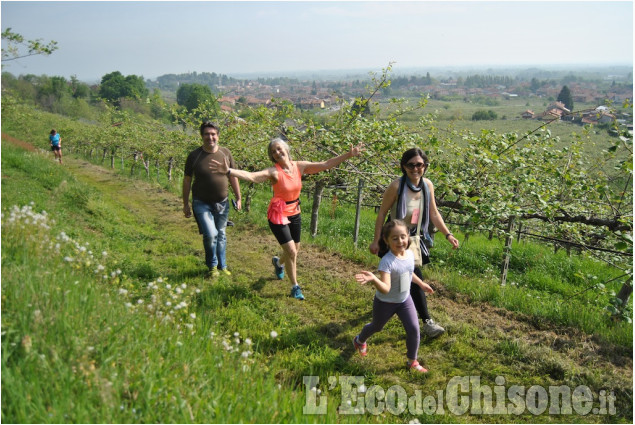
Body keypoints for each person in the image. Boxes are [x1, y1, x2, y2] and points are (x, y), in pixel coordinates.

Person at [209, 137, 362, 300]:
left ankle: (278, 263)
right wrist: (229, 171)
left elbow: (325, 164)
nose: (277, 152)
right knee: (291, 251)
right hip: (278, 214)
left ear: (286, 149)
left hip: (294, 211)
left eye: (279, 148)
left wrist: (349, 155)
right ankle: (295, 287)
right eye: (273, 151)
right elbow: (252, 176)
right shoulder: (273, 172)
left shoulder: (300, 166)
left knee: (294, 250)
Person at [369, 148, 459, 338]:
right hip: (394, 238)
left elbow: (433, 213)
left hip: (414, 239)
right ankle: (427, 321)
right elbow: (382, 214)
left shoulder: (427, 185)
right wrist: (377, 240)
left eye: (419, 164)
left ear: (425, 166)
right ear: (404, 166)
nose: (415, 168)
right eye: (411, 165)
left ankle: (393, 306)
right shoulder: (396, 186)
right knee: (410, 277)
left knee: (404, 280)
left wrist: (448, 234)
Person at [353, 220, 434, 373]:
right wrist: (374, 279)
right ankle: (359, 340)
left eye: (403, 236)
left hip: (404, 300)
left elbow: (408, 273)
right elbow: (385, 288)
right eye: (395, 238)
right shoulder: (387, 262)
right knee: (376, 327)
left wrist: (421, 284)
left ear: (408, 236)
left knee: (413, 329)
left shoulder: (410, 254)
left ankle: (412, 361)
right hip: (386, 302)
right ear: (386, 240)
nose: (400, 241)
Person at [183, 121, 242, 278]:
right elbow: (187, 179)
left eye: (213, 134)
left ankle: (223, 266)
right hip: (201, 202)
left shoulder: (225, 153)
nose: (210, 137)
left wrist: (239, 197)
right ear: (202, 136)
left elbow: (233, 175)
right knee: (211, 234)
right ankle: (212, 266)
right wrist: (185, 203)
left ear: (218, 135)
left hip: (222, 202)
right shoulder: (194, 156)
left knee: (221, 234)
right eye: (207, 134)